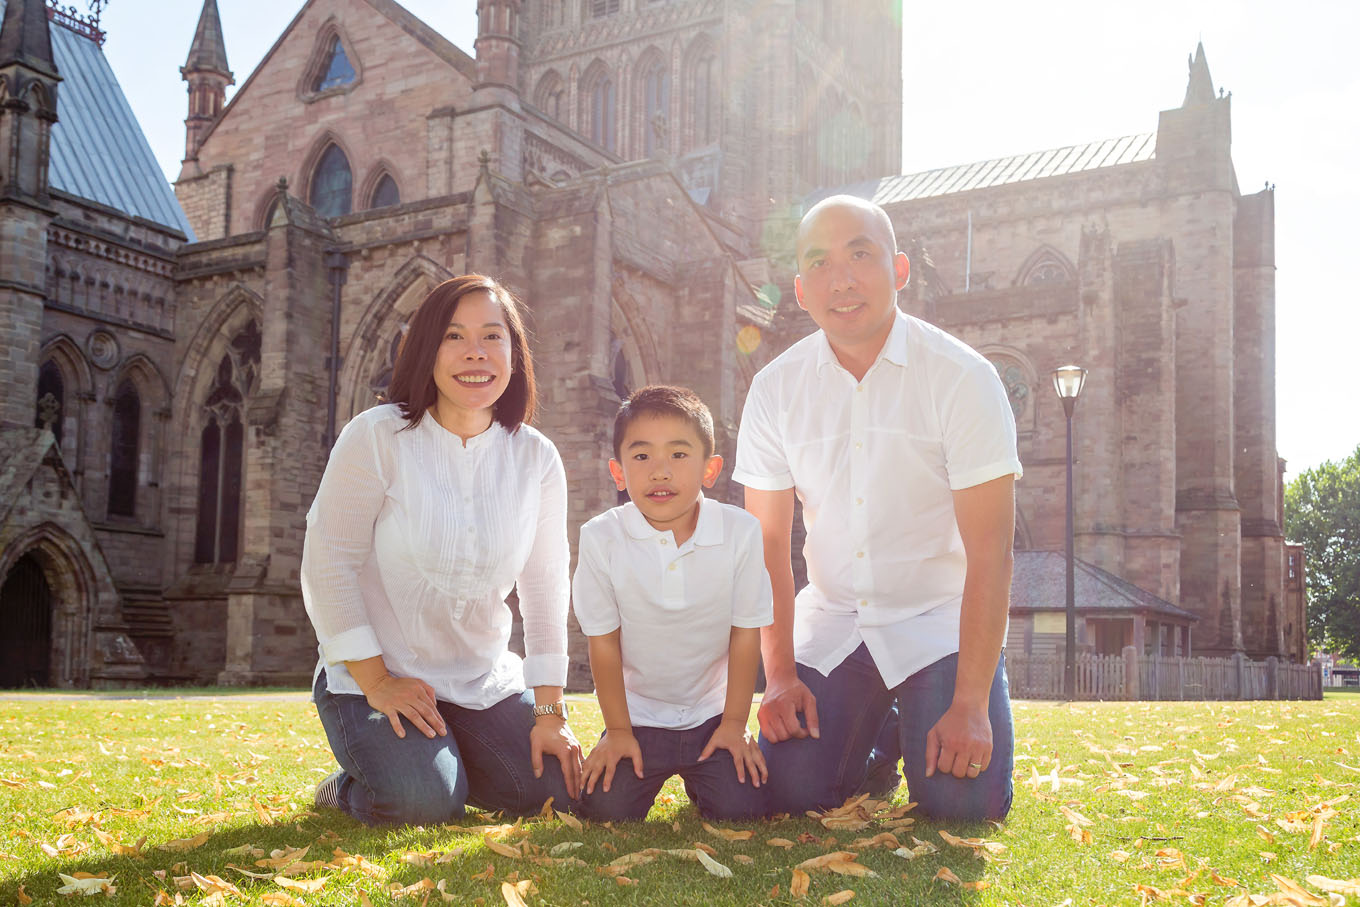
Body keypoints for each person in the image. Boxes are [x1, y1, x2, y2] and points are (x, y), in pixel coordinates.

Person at [733, 195, 1021, 821]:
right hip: (835, 622)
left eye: (860, 254)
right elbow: (766, 551)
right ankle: (881, 742)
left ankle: (927, 709)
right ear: (800, 290)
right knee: (790, 795)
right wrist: (779, 676)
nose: (842, 278)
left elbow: (991, 552)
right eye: (820, 263)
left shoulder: (963, 378)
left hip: (936, 623)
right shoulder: (774, 390)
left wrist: (969, 704)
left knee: (961, 804)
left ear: (899, 269)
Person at [301, 274, 583, 825]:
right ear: (427, 350)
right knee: (422, 801)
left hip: (480, 680)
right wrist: (379, 681)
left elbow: (547, 587)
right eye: (454, 337)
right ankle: (353, 785)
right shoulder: (378, 437)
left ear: (514, 351)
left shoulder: (537, 458)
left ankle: (449, 761)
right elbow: (327, 561)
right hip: (375, 675)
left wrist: (550, 711)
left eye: (491, 336)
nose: (474, 352)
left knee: (556, 792)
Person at [572, 385, 772, 821]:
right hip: (639, 717)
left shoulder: (740, 532)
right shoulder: (601, 537)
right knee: (604, 811)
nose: (660, 472)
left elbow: (745, 635)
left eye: (679, 455)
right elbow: (603, 642)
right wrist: (619, 730)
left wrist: (735, 726)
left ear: (710, 468)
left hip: (711, 716)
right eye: (642, 457)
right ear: (618, 472)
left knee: (744, 807)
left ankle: (710, 781)